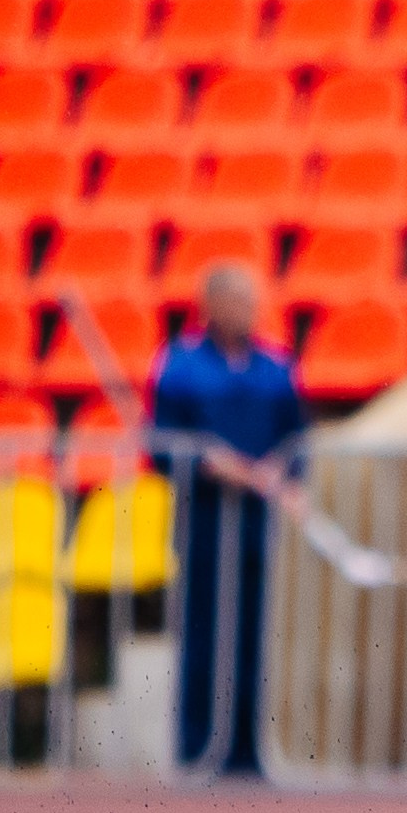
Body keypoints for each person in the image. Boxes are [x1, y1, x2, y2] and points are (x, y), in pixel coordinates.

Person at [151, 262, 307, 775]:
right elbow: (165, 446)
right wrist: (212, 466)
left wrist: (281, 473)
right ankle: (198, 750)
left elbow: (296, 439)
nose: (249, 310)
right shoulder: (181, 367)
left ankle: (247, 751)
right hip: (206, 522)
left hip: (259, 525)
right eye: (238, 300)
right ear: (211, 305)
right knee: (203, 636)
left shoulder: (274, 368)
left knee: (254, 638)